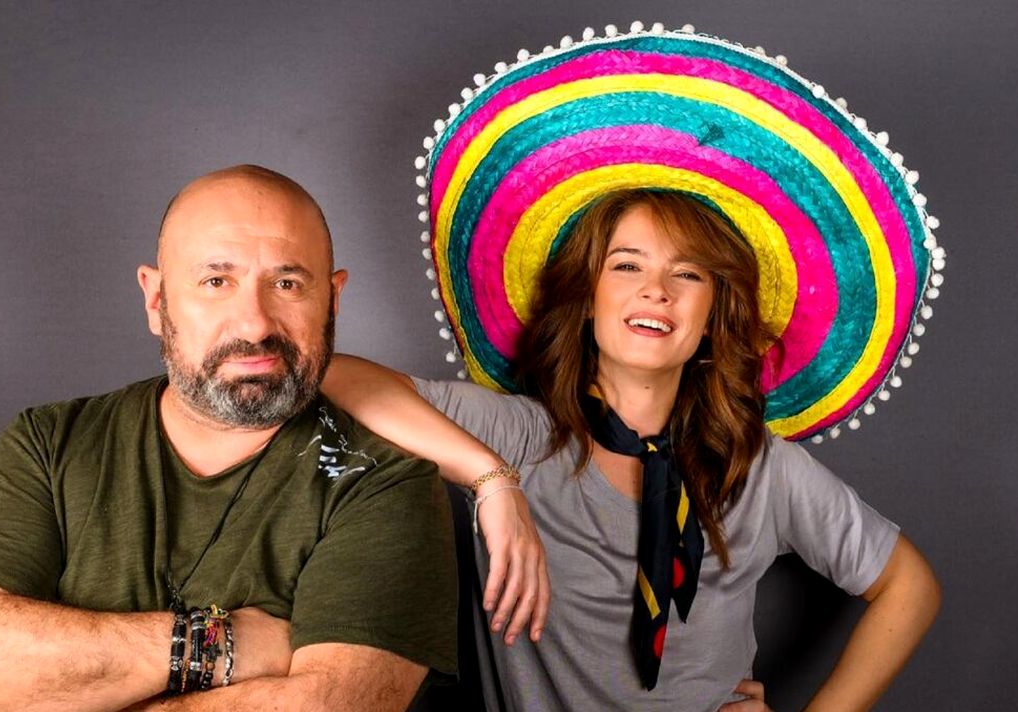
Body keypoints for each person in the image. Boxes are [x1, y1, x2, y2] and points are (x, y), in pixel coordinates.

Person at [322, 28, 944, 712]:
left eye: (688, 274)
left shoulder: (760, 470)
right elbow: (331, 378)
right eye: (627, 265)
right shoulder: (519, 438)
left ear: (713, 317)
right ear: (587, 298)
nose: (657, 290)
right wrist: (491, 480)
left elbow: (909, 586)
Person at [0, 165, 462, 712]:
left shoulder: (385, 485)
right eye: (216, 282)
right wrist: (222, 645)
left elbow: (328, 707)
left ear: (333, 299)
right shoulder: (49, 444)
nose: (254, 324)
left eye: (287, 284)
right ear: (157, 300)